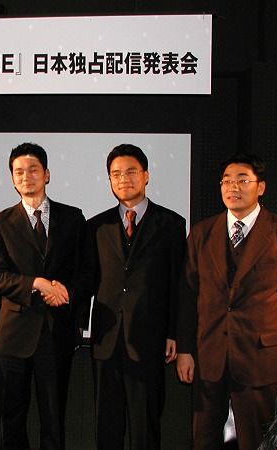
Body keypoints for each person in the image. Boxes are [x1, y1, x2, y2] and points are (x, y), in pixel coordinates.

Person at [176, 153, 277, 449]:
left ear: (261, 187)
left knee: (258, 440)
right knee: (203, 439)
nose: (233, 187)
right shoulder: (202, 233)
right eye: (227, 181)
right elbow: (188, 295)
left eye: (242, 180)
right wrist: (185, 350)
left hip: (260, 357)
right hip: (210, 356)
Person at [80, 144, 186, 449]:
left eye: (131, 172)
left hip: (149, 341)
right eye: (116, 174)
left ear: (146, 175)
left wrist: (174, 333)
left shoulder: (171, 224)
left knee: (145, 428)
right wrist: (77, 324)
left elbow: (178, 284)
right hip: (106, 341)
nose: (123, 179)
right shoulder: (96, 226)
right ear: (109, 180)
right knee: (107, 428)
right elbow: (87, 280)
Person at [0, 142, 86, 449]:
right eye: (19, 172)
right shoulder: (0, 221)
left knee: (54, 417)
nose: (26, 176)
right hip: (13, 333)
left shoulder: (73, 218)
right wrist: (38, 284)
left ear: (47, 174)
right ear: (12, 179)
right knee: (12, 417)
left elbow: (87, 271)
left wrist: (66, 293)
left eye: (33, 170)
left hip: (57, 331)